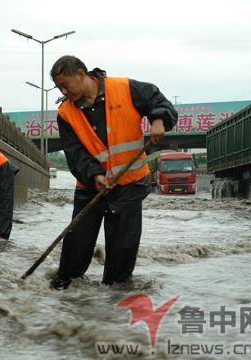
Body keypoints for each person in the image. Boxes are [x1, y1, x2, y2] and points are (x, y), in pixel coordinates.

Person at [49, 55, 177, 290]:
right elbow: (75, 153)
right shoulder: (66, 113)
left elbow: (157, 100)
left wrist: (159, 119)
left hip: (129, 184)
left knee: (121, 252)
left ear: (81, 74)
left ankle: (114, 303)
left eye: (65, 85)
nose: (64, 92)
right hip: (91, 187)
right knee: (77, 244)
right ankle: (64, 292)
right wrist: (94, 175)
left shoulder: (125, 89)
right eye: (59, 88)